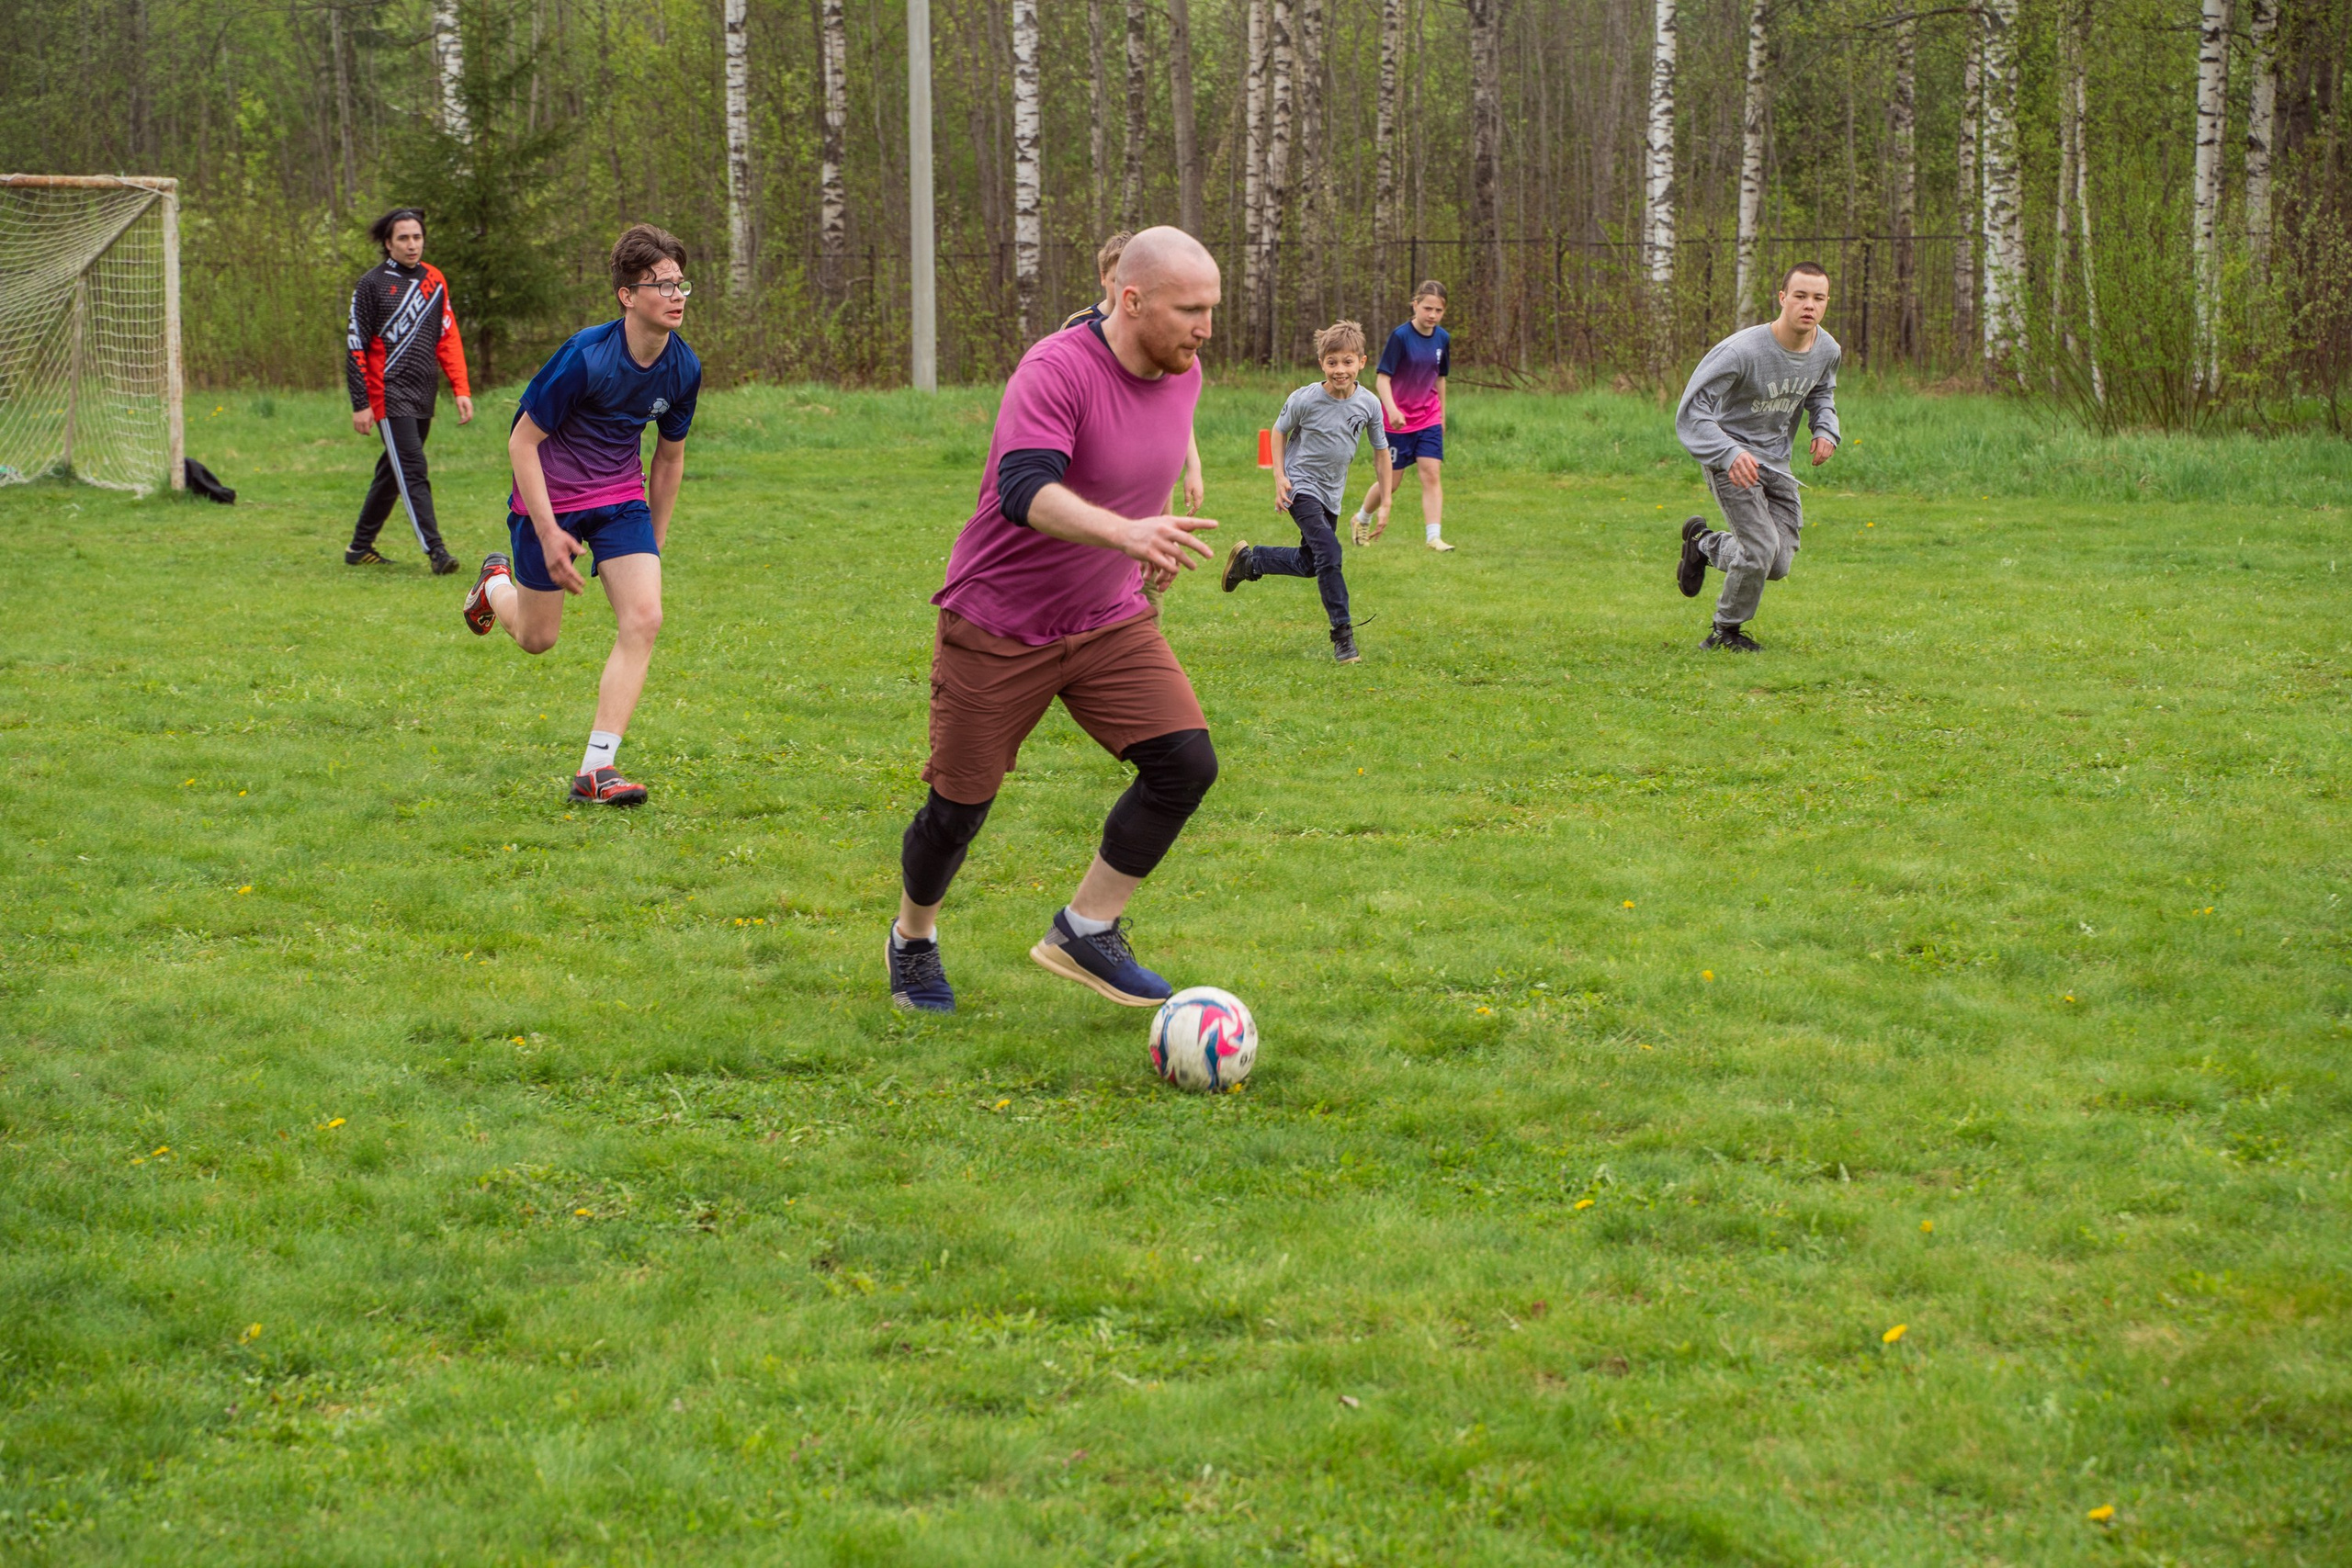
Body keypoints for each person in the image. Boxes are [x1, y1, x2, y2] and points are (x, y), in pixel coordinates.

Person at [887, 226, 1224, 1016]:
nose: (1206, 327)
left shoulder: (1186, 371)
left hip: (1108, 618)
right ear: (1130, 300)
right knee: (957, 809)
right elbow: (1023, 488)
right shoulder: (1055, 369)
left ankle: (1086, 926)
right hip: (999, 622)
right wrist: (1128, 532)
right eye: (1191, 309)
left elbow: (1141, 462)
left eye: (1212, 307)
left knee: (1187, 763)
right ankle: (913, 940)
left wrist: (1155, 536)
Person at [459, 225, 702, 806]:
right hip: (551, 504)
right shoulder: (585, 357)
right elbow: (522, 444)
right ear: (626, 295)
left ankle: (597, 768)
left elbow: (668, 461)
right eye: (661, 285)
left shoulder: (683, 368)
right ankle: (494, 587)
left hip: (621, 502)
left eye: (681, 284)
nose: (676, 296)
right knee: (538, 639)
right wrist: (547, 533)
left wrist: (653, 546)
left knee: (644, 618)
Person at [1673, 261, 1841, 651]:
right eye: (1800, 296)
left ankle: (1703, 545)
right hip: (1730, 462)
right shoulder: (1741, 351)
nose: (1808, 305)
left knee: (1777, 563)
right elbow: (1693, 411)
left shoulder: (1827, 349)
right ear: (1782, 298)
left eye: (1818, 298)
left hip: (1777, 464)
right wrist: (1729, 453)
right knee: (1761, 548)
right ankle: (1724, 631)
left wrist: (1824, 428)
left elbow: (1822, 392)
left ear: (1827, 302)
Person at [1220, 320, 1391, 663]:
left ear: (1362, 361)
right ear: (1321, 364)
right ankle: (1343, 638)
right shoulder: (1306, 399)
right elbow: (1278, 431)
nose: (1339, 370)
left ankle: (1250, 562)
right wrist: (1280, 477)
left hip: (1332, 495)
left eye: (1347, 362)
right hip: (1301, 486)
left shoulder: (1370, 404)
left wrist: (1385, 499)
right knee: (1330, 552)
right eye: (1332, 362)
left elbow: (1381, 452)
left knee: (1311, 562)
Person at [344, 207, 472, 572]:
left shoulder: (434, 279)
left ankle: (359, 547)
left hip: (423, 394)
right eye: (403, 238)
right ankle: (436, 551)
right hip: (388, 395)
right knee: (412, 468)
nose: (412, 244)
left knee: (393, 470)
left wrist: (460, 388)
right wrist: (361, 403)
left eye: (417, 236)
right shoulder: (371, 284)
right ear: (388, 243)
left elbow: (448, 337)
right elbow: (355, 346)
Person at [1064, 231, 1205, 519]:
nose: (1126, 288)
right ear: (1103, 277)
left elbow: (1174, 407)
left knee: (1156, 534)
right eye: (1117, 279)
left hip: (1148, 451)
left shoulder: (1158, 331)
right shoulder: (1077, 327)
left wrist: (1194, 466)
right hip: (1096, 459)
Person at [1351, 280, 1452, 552]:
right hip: (1397, 421)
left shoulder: (1443, 339)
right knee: (1390, 484)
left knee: (1431, 473)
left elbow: (1440, 379)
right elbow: (1383, 378)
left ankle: (1434, 537)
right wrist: (1392, 410)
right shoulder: (1401, 337)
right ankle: (1361, 518)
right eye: (1427, 308)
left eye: (1438, 310)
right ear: (1415, 305)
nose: (1432, 315)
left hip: (1428, 417)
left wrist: (1442, 414)